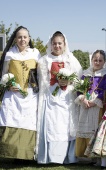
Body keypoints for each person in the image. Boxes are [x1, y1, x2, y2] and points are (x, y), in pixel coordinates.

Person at [36, 31, 82, 164]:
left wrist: (68, 82)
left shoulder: (71, 59)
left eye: (59, 43)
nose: (57, 46)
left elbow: (79, 78)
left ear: (64, 44)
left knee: (65, 126)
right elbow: (42, 81)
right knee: (52, 125)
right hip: (50, 97)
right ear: (50, 44)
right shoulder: (44, 60)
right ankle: (51, 157)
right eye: (54, 43)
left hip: (67, 98)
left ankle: (68, 156)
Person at [0, 26, 41, 160]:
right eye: (19, 37)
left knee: (28, 123)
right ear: (15, 39)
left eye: (25, 37)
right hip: (13, 95)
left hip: (30, 94)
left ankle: (27, 154)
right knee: (11, 120)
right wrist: (8, 85)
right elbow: (4, 74)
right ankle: (10, 153)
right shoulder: (10, 54)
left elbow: (40, 75)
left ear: (29, 39)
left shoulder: (35, 53)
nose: (22, 39)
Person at [74, 50, 106, 161]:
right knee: (84, 127)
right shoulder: (86, 73)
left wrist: (96, 101)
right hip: (85, 104)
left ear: (104, 62)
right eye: (95, 60)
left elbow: (105, 90)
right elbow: (79, 88)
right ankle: (84, 156)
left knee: (96, 128)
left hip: (97, 105)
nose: (97, 62)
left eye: (100, 60)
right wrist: (83, 99)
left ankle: (96, 157)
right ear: (92, 60)